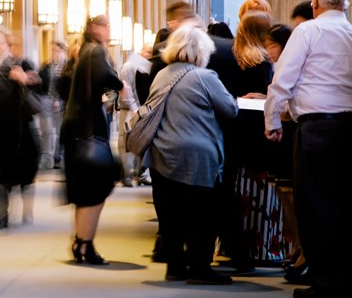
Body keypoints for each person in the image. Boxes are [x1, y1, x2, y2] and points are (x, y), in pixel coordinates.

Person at [265, 0, 352, 298]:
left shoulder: (307, 31)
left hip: (315, 130)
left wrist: (272, 120)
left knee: (314, 206)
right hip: (347, 127)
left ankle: (325, 283)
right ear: (344, 5)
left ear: (315, 3)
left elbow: (283, 78)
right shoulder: (350, 32)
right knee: (343, 205)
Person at [142, 25, 239, 285]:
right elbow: (230, 109)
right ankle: (199, 268)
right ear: (201, 52)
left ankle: (174, 267)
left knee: (171, 215)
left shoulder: (162, 74)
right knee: (202, 214)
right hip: (196, 156)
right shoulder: (205, 77)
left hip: (162, 154)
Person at [59, 15, 127, 265]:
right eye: (107, 26)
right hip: (87, 132)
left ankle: (81, 242)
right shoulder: (96, 51)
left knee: (85, 192)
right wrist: (120, 86)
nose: (109, 32)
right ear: (96, 28)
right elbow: (104, 75)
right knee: (95, 191)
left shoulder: (83, 52)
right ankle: (85, 245)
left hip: (76, 130)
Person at [227, 10, 288, 266]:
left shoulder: (232, 59)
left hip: (236, 134)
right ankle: (265, 247)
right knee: (264, 193)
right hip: (261, 135)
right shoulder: (263, 63)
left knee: (242, 192)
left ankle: (241, 246)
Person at [261, 24, 306, 284]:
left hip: (290, 132)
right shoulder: (276, 65)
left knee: (293, 198)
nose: (268, 51)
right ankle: (296, 247)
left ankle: (302, 251)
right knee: (285, 199)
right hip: (282, 134)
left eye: (272, 45)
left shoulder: (291, 65)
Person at [0, 28, 40, 229]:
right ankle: (2, 215)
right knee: (1, 175)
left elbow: (38, 81)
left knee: (26, 173)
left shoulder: (17, 65)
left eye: (1, 43)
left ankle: (27, 210)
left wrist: (24, 79)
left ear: (7, 47)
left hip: (20, 127)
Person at [117, 44, 152, 186]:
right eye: (148, 51)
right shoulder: (129, 67)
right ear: (141, 51)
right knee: (126, 143)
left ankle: (141, 173)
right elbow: (125, 90)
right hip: (129, 110)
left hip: (142, 110)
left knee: (142, 143)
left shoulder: (147, 68)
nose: (150, 54)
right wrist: (133, 109)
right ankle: (127, 175)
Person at [38, 40, 68, 170]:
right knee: (47, 131)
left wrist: (60, 100)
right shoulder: (46, 66)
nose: (55, 53)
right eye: (53, 50)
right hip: (46, 101)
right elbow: (41, 83)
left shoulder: (66, 68)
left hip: (61, 102)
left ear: (63, 52)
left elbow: (67, 86)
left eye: (57, 51)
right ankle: (47, 157)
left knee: (60, 131)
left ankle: (58, 157)